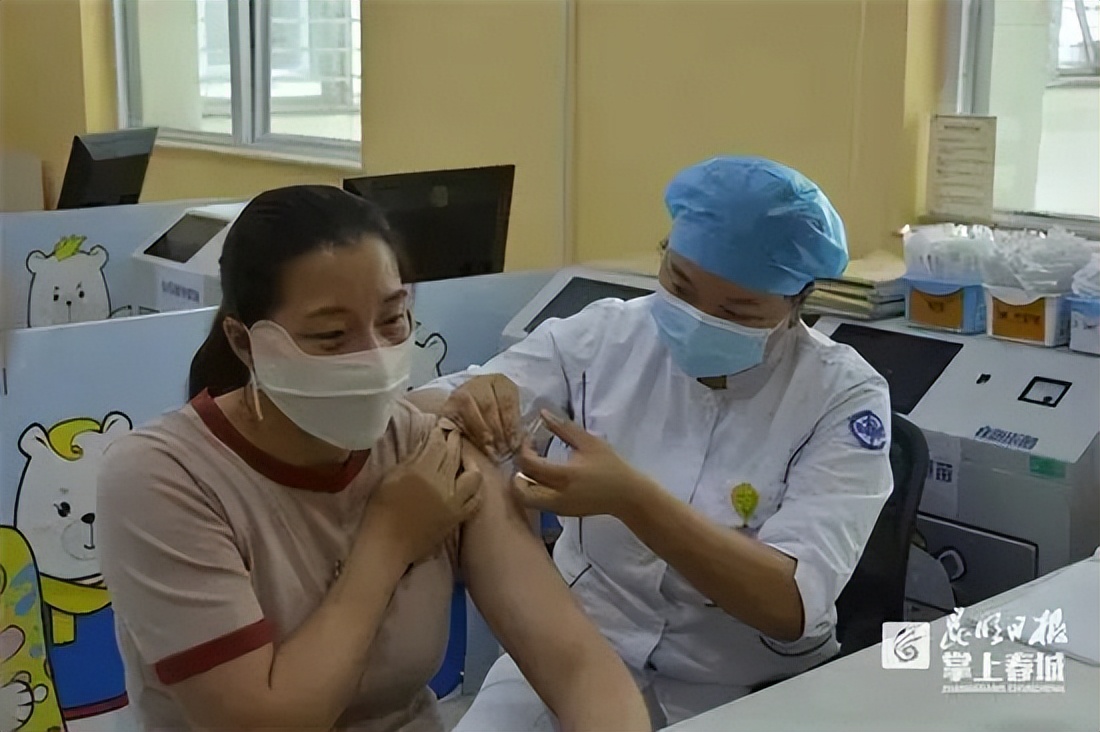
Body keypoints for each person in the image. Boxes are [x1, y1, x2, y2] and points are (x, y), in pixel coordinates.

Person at [96, 186, 651, 732]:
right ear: (245, 344)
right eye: (331, 335)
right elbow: (264, 722)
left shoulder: (430, 446)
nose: (374, 358)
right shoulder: (163, 479)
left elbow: (578, 667)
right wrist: (387, 540)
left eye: (392, 321)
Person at [409, 156, 894, 729]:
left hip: (744, 682)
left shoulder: (840, 397)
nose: (695, 317)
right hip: (580, 643)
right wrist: (470, 397)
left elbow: (788, 605)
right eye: (678, 285)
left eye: (736, 311)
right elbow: (422, 410)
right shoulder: (606, 337)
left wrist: (631, 500)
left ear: (796, 303)